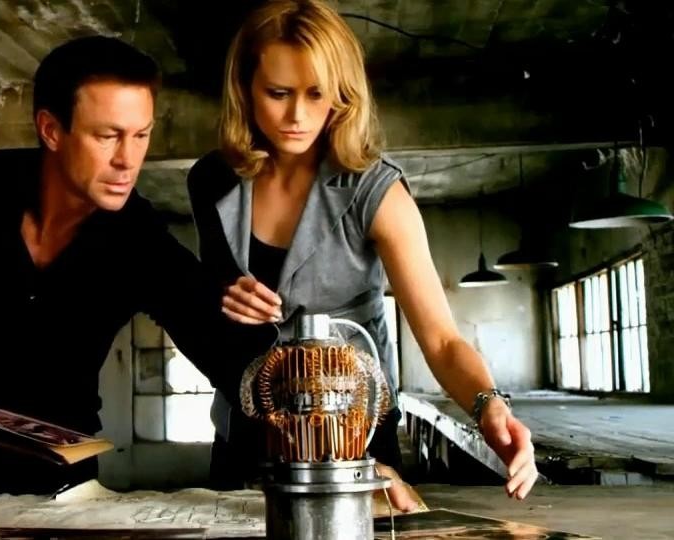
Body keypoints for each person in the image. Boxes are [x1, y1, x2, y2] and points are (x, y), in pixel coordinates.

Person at [0, 35, 277, 496]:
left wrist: (275, 361)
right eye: (107, 136)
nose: (128, 160)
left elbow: (215, 340)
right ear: (51, 129)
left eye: (141, 135)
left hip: (65, 488)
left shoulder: (137, 236)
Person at [188, 0, 538, 509]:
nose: (297, 115)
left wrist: (489, 407)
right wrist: (219, 298)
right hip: (245, 430)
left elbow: (442, 340)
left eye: (316, 93)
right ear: (244, 88)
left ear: (342, 92)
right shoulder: (210, 180)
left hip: (354, 434)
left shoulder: (378, 192)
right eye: (278, 93)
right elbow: (207, 307)